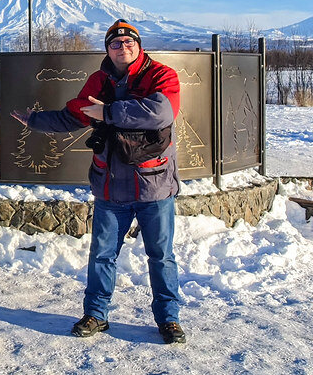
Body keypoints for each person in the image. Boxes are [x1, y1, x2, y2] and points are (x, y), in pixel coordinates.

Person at [12, 19, 186, 344]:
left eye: (128, 42)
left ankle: (169, 319)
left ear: (139, 45)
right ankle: (95, 314)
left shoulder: (161, 75)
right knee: (102, 254)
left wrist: (107, 113)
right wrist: (35, 120)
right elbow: (72, 116)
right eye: (115, 43)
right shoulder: (99, 80)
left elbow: (161, 112)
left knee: (161, 255)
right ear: (108, 49)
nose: (123, 47)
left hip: (154, 185)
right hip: (110, 185)